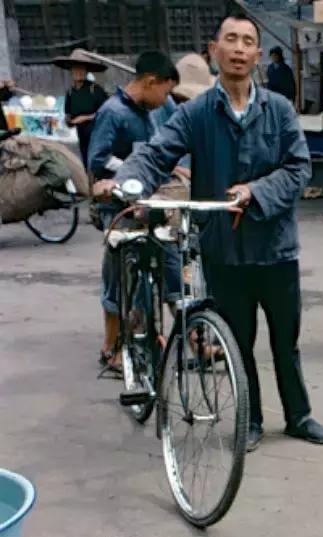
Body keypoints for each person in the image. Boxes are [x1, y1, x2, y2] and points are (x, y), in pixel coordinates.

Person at [107, 12, 323, 449]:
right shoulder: (195, 113)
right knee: (238, 341)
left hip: (276, 247)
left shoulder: (280, 110)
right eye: (230, 39)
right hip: (224, 249)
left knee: (286, 341)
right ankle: (249, 421)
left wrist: (257, 190)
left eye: (247, 41)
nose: (238, 48)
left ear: (256, 53)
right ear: (215, 50)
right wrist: (127, 182)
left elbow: (299, 167)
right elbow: (156, 154)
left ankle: (299, 416)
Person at [89, 51, 181, 376]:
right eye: (166, 92)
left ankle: (189, 336)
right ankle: (111, 348)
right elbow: (97, 160)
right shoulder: (112, 113)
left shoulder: (158, 109)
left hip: (153, 203)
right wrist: (133, 171)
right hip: (118, 206)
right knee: (117, 275)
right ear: (150, 82)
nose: (167, 100)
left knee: (171, 260)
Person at [52, 48, 109, 166]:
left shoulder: (95, 89)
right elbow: (68, 113)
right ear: (71, 70)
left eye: (82, 68)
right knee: (85, 160)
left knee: (97, 161)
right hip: (81, 134)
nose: (79, 72)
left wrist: (85, 117)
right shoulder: (70, 92)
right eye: (76, 68)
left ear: (86, 71)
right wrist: (68, 120)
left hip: (96, 133)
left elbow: (106, 112)